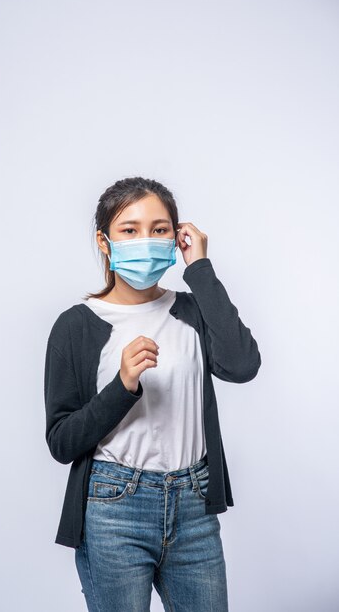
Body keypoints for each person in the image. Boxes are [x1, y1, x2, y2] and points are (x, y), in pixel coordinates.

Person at [44, 176, 262, 611]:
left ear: (178, 236)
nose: (146, 239)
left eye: (159, 229)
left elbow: (242, 366)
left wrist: (199, 269)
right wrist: (122, 386)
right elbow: (62, 442)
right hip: (113, 510)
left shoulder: (192, 311)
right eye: (130, 229)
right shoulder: (76, 326)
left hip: (195, 507)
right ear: (104, 242)